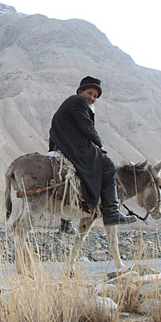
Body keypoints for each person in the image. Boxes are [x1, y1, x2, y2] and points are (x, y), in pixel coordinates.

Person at [49, 76, 137, 231]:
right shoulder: (77, 101)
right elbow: (87, 127)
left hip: (65, 143)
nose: (92, 98)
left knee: (79, 176)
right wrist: (99, 144)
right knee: (108, 165)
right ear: (80, 91)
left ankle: (67, 220)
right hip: (72, 144)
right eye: (89, 93)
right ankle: (112, 211)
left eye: (95, 96)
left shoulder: (74, 103)